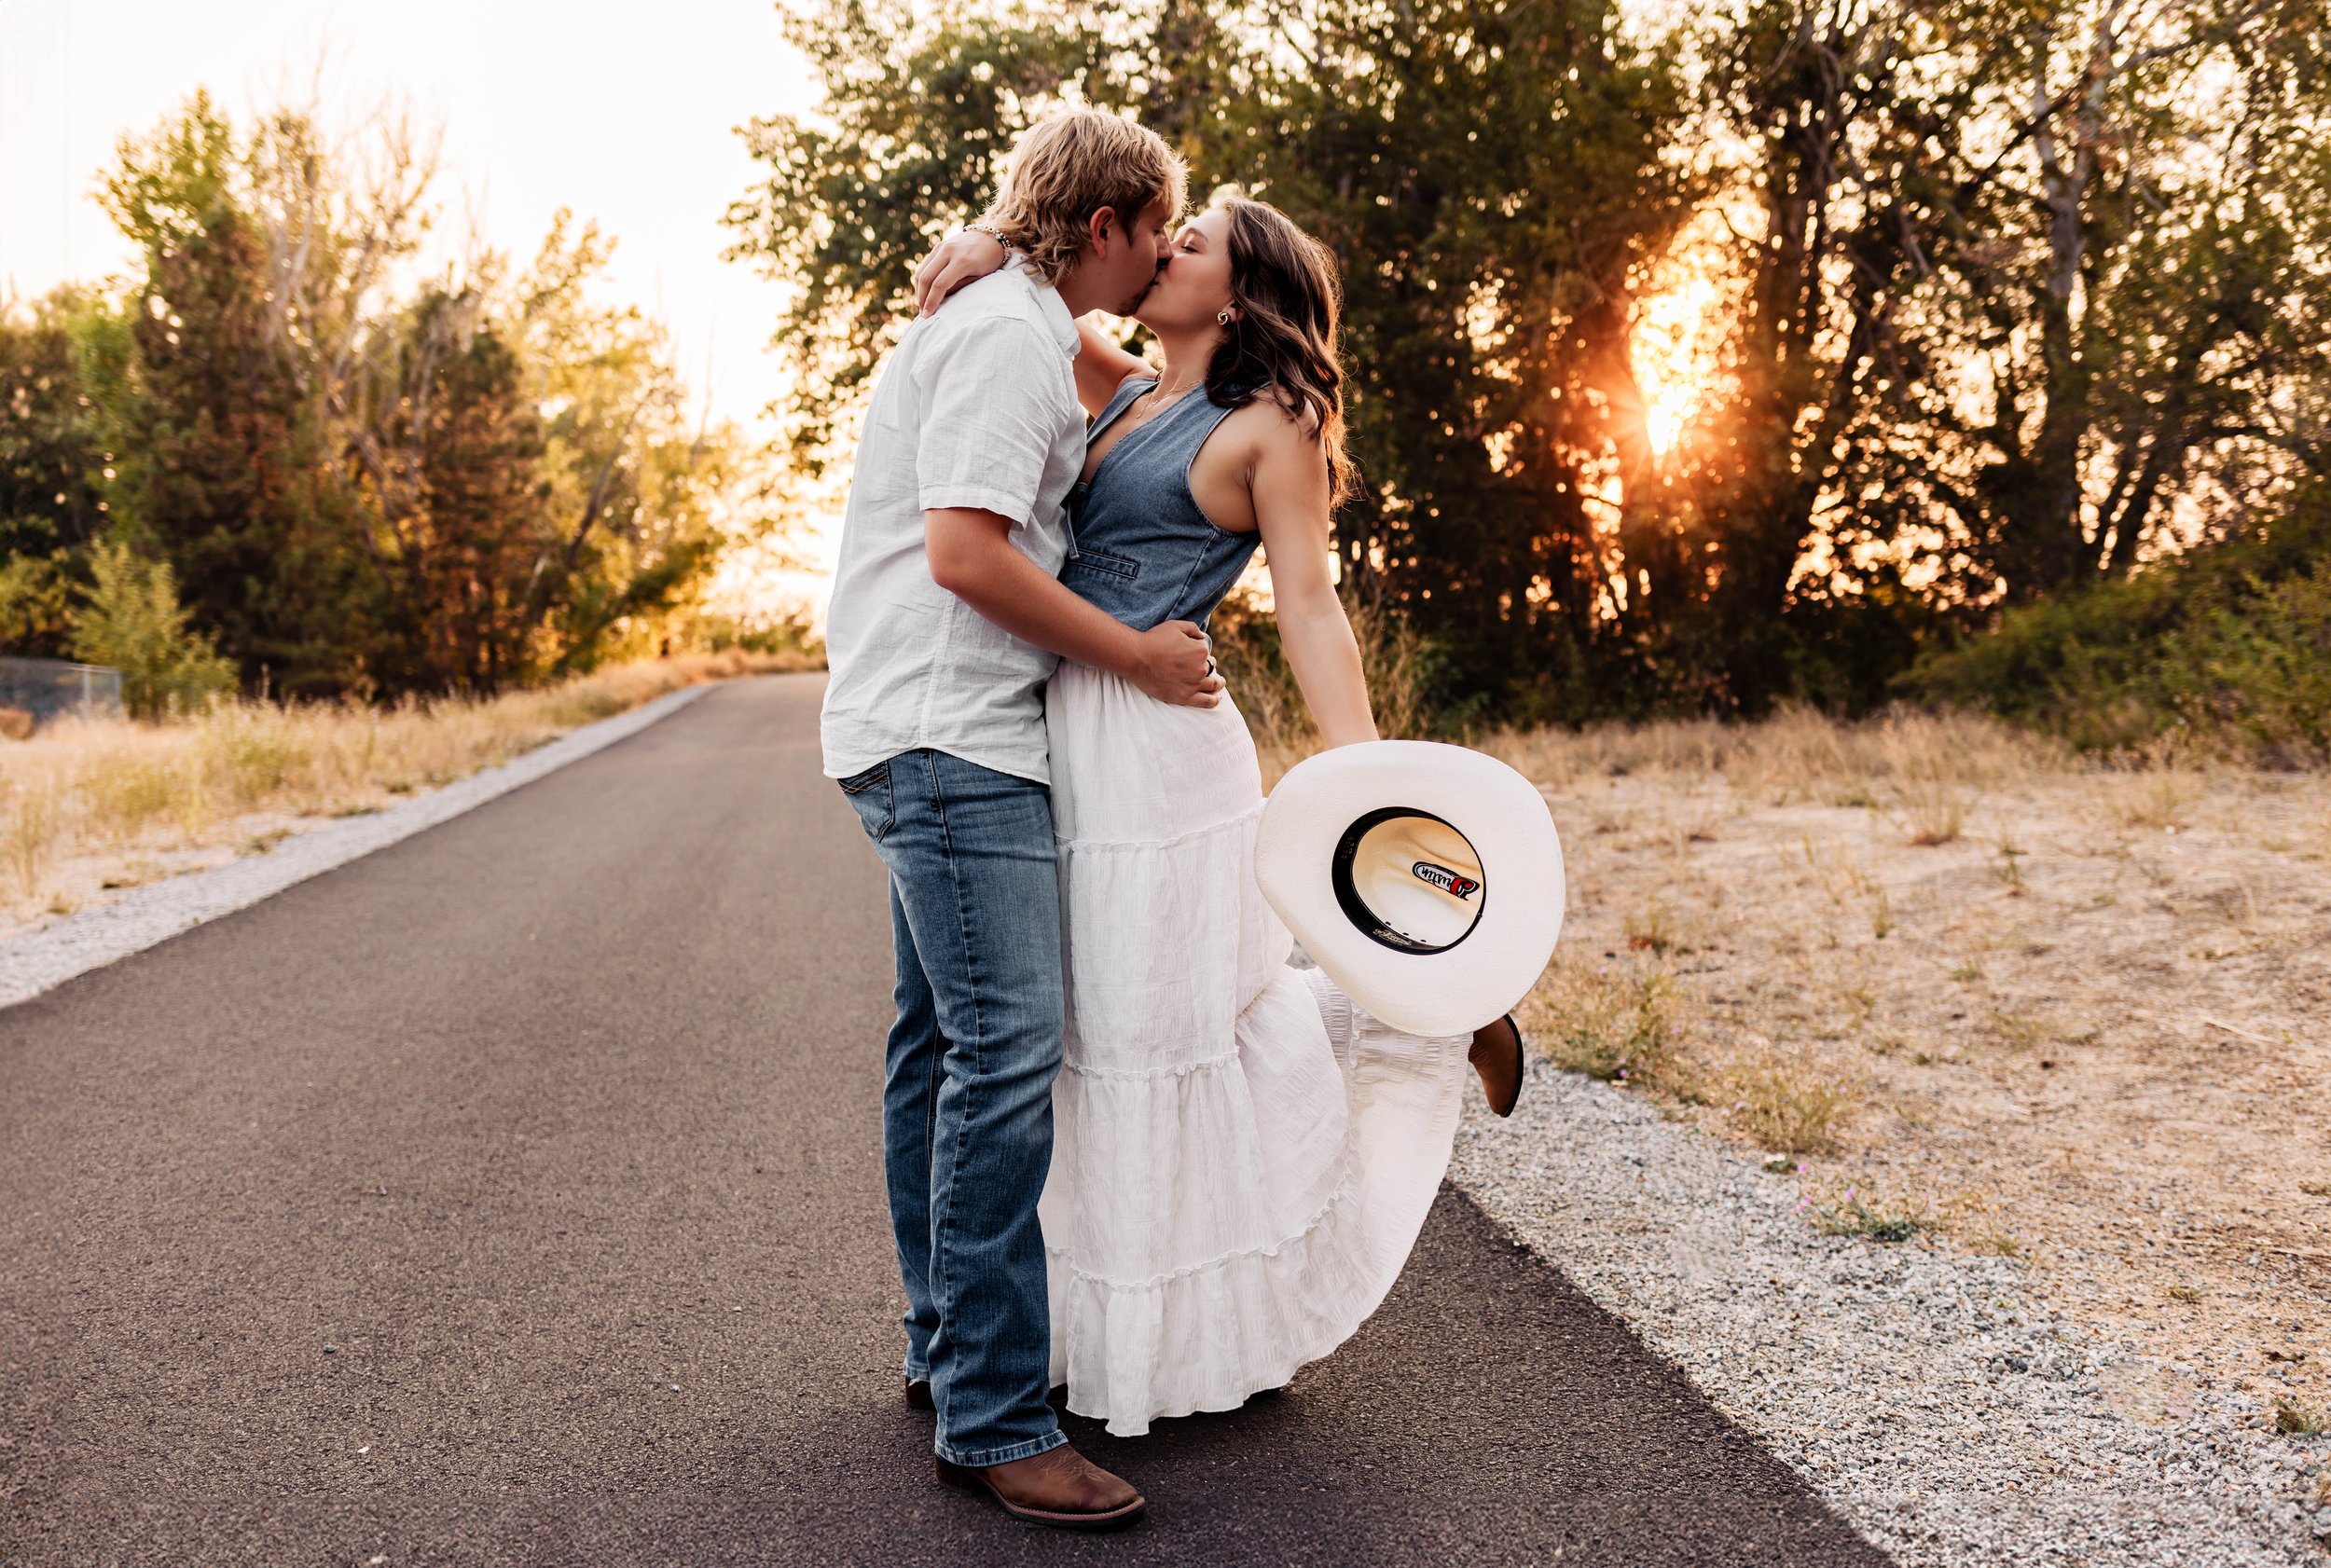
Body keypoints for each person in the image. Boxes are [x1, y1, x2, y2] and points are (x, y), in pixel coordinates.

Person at [909, 193, 1528, 1439]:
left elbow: (1310, 603)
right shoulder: (1133, 389)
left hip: (1163, 752)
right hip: (1071, 730)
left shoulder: (1271, 425)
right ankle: (1085, 1337)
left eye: (1189, 243)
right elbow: (1039, 296)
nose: (1161, 248)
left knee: (1165, 1029)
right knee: (1098, 1029)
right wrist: (986, 242)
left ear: (1238, 297)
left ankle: (1430, 1006)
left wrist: (1366, 787)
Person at [821, 107, 1221, 1531]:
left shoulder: (1023, 317)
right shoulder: (1003, 336)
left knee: (940, 1045)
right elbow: (964, 554)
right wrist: (1138, 656)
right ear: (1104, 227)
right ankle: (996, 1413)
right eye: (1154, 229)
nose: (1163, 254)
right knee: (1004, 1053)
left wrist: (993, 240)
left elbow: (1135, 379)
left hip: (928, 727)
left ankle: (948, 1348)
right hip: (952, 735)